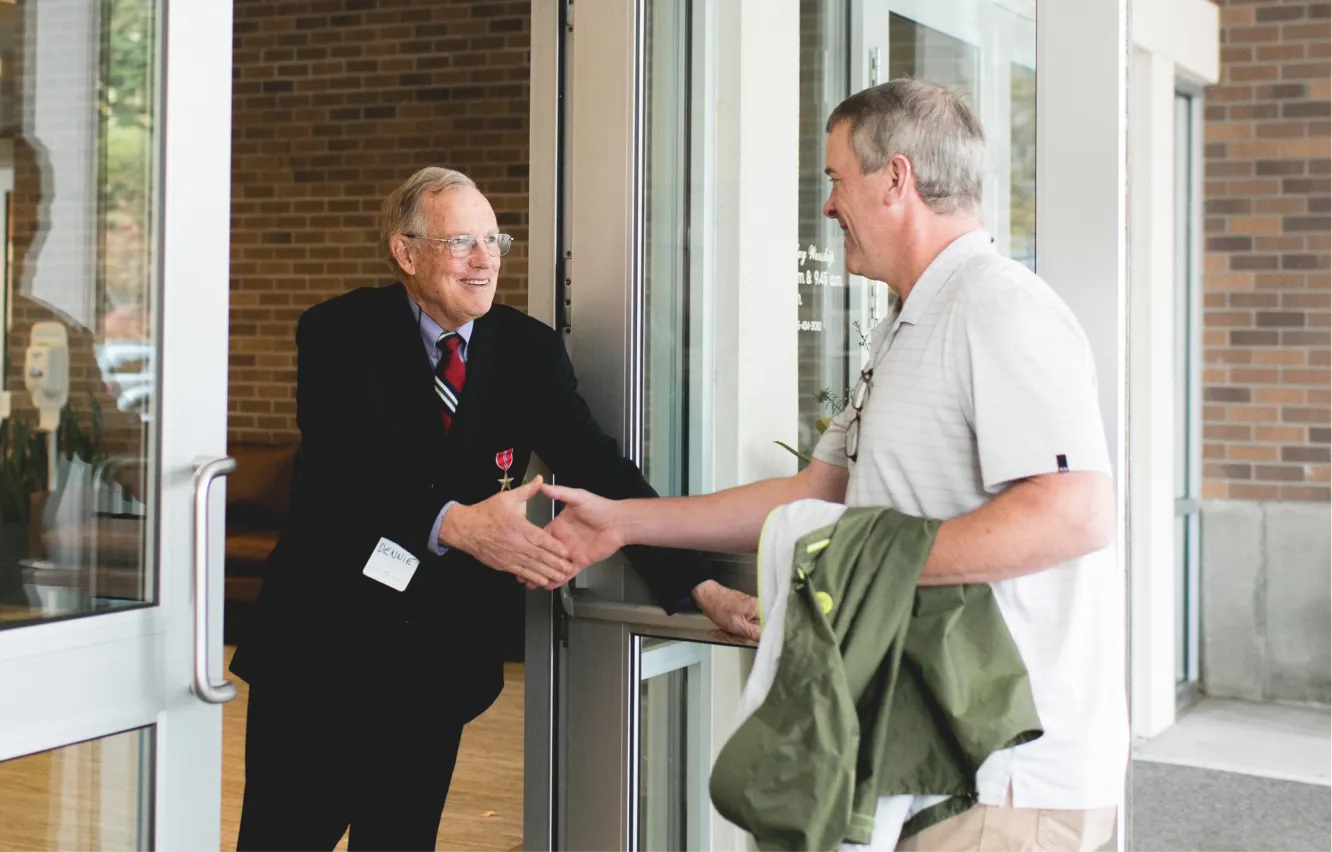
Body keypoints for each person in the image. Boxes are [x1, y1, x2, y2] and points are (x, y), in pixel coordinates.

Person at [545, 79, 1127, 851]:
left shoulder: (999, 307)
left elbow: (1074, 512)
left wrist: (849, 567)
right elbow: (815, 493)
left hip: (1007, 775)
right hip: (922, 757)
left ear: (896, 179)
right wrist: (622, 521)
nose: (826, 206)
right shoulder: (906, 325)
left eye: (834, 179)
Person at [229, 166, 759, 851]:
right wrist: (455, 523)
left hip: (432, 665)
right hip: (320, 656)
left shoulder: (526, 349)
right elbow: (334, 484)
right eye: (461, 244)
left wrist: (700, 585)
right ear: (406, 252)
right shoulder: (337, 333)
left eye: (494, 241)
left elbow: (599, 466)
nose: (486, 262)